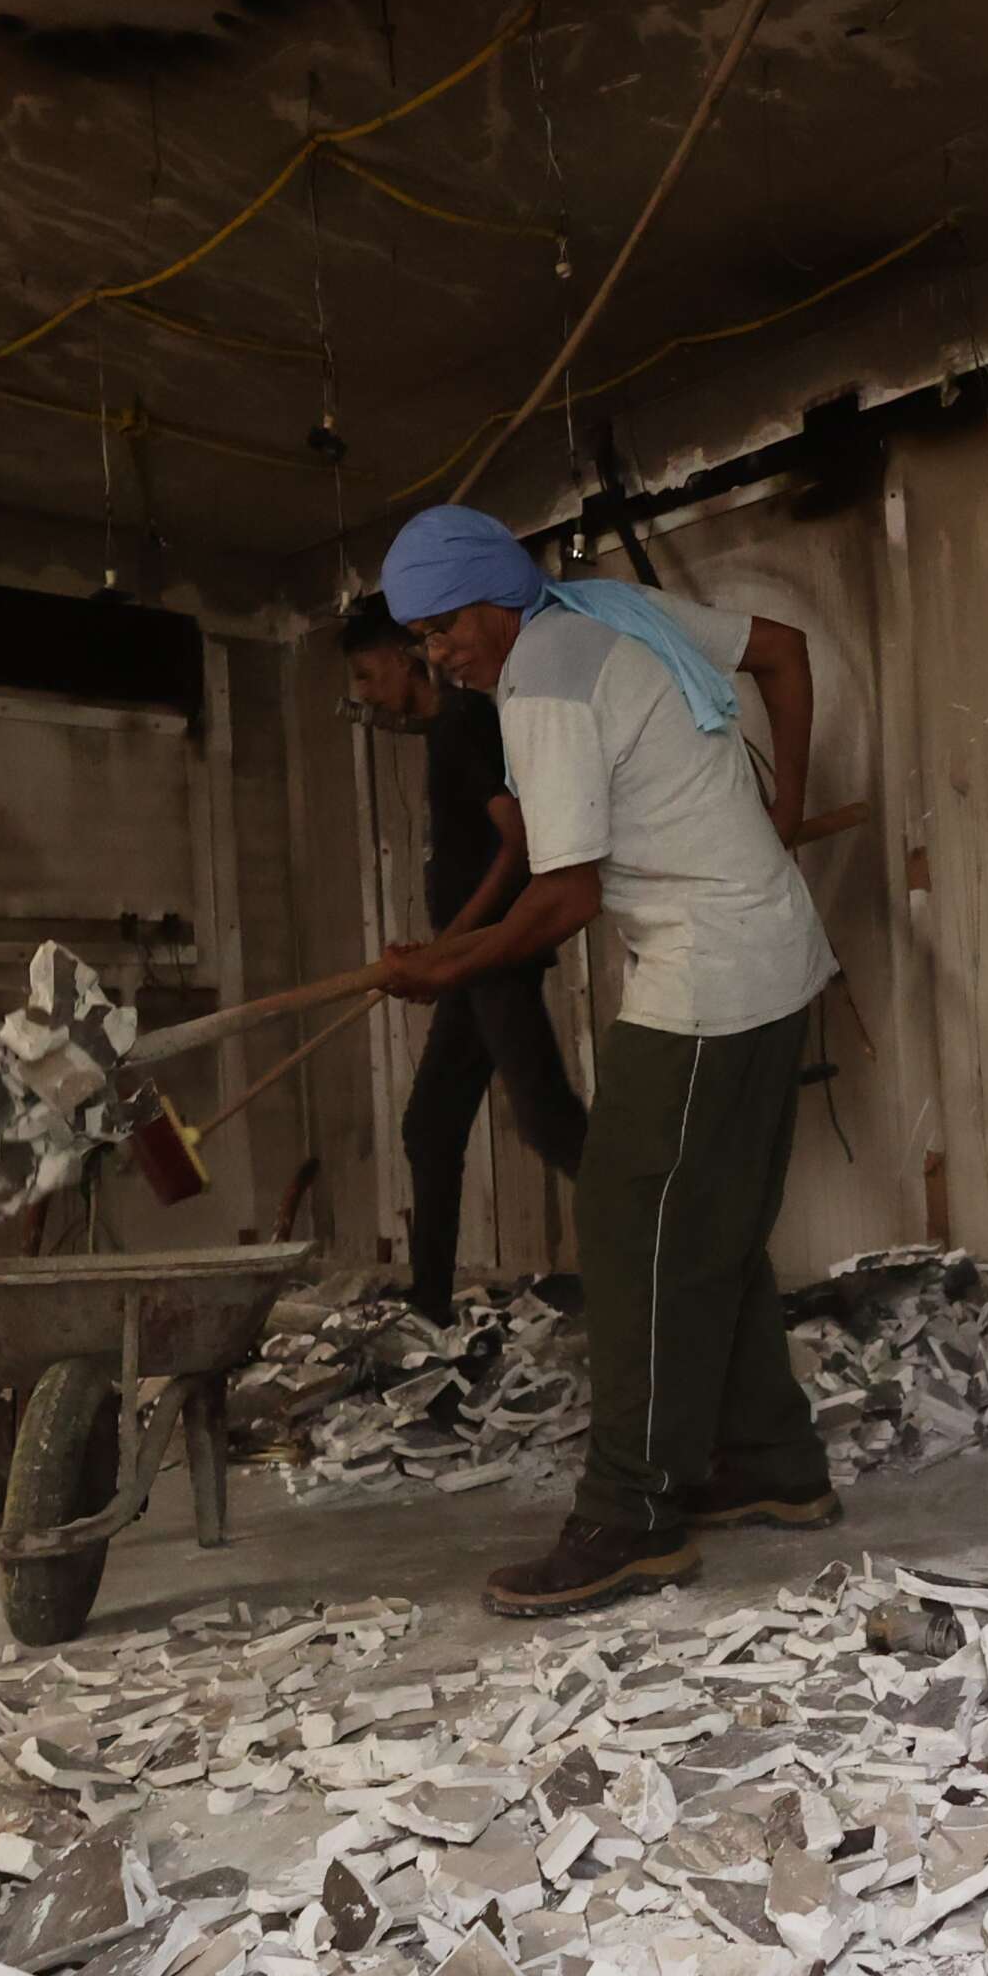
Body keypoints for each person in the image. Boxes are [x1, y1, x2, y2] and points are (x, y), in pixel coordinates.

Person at [370, 504, 841, 1618]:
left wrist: (448, 974)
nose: (439, 658)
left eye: (442, 632)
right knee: (712, 1220)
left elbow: (566, 896)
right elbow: (783, 650)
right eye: (424, 643)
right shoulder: (606, 608)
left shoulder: (543, 682)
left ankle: (630, 1515)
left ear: (493, 596)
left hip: (712, 976)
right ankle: (773, 1463)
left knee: (632, 1225)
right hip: (766, 945)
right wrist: (786, 809)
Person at [337, 595, 592, 1326]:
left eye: (366, 673)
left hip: (490, 959)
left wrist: (460, 941)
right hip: (470, 960)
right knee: (431, 1126)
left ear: (402, 656)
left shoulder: (461, 725)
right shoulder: (447, 731)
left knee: (550, 1123)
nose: (364, 692)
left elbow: (518, 842)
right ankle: (429, 1304)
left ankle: (671, 1260)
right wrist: (445, 944)